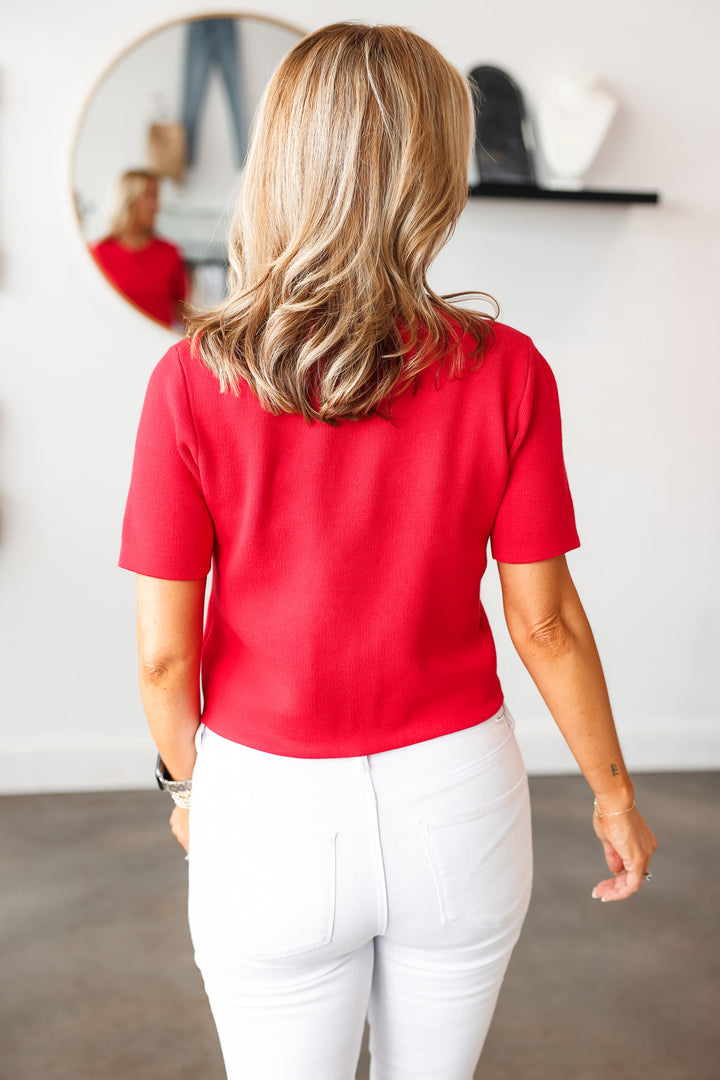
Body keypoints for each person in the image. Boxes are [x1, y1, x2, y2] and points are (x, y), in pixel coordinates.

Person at [119, 23, 657, 1080]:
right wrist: (613, 793)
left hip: (266, 809)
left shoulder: (191, 380)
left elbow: (162, 660)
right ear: (432, 173)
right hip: (456, 802)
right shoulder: (509, 370)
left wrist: (192, 795)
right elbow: (543, 621)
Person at [91, 169, 188, 329]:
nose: (157, 205)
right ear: (128, 200)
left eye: (157, 196)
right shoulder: (98, 253)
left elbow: (181, 309)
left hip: (159, 348)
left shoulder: (170, 252)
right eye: (149, 195)